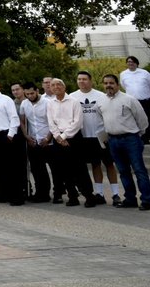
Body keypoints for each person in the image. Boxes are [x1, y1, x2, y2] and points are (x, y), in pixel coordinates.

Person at [98, 74, 150, 210]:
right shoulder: (101, 101)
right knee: (123, 171)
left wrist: (139, 134)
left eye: (111, 83)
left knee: (139, 170)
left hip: (131, 139)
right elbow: (102, 119)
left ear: (117, 84)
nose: (108, 85)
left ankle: (147, 200)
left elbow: (142, 119)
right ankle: (130, 199)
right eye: (106, 83)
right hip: (113, 140)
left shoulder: (129, 99)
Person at [45, 78, 99, 207]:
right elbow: (51, 122)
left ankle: (88, 196)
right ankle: (72, 196)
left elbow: (77, 122)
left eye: (59, 84)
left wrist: (64, 136)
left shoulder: (74, 102)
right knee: (64, 169)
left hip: (74, 138)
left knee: (80, 168)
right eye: (53, 85)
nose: (56, 87)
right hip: (58, 139)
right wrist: (58, 137)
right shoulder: (50, 103)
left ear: (64, 87)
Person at [71, 71, 122, 206]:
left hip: (101, 136)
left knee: (109, 164)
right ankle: (99, 194)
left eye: (84, 79)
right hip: (85, 137)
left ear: (91, 80)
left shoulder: (101, 96)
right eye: (79, 79)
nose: (82, 81)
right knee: (95, 164)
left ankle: (116, 194)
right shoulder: (72, 97)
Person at [20, 81, 53, 203]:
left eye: (32, 93)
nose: (30, 96)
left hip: (48, 141)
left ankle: (57, 192)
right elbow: (22, 122)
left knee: (54, 169)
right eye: (27, 94)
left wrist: (48, 138)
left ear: (37, 91)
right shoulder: (24, 104)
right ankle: (41, 193)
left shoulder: (48, 103)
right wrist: (27, 136)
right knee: (37, 169)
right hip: (33, 141)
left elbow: (53, 122)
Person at [118, 57, 150, 143]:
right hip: (132, 102)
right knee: (135, 120)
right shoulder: (123, 74)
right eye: (128, 62)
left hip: (145, 100)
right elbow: (123, 86)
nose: (130, 63)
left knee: (147, 119)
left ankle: (147, 138)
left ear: (136, 63)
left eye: (132, 62)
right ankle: (138, 138)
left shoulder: (145, 73)